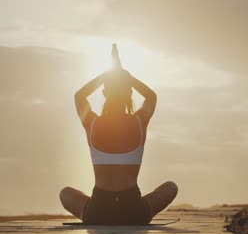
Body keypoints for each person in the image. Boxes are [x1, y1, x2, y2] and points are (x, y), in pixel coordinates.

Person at [59, 56, 178, 224]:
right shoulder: (139, 122)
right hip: (134, 211)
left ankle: (91, 214)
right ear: (129, 92)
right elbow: (151, 96)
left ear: (104, 93)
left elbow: (79, 96)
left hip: (98, 212)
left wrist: (105, 77)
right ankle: (139, 212)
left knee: (65, 193)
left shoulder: (92, 123)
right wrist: (126, 78)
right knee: (170, 187)